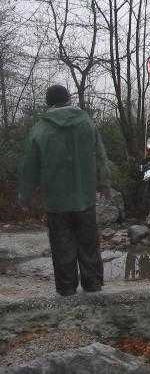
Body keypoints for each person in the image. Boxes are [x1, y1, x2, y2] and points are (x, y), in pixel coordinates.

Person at [17, 85, 112, 296]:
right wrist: (105, 183)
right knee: (88, 244)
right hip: (85, 198)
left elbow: (29, 166)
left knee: (62, 247)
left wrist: (25, 197)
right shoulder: (86, 122)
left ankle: (67, 291)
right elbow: (101, 155)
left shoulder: (41, 128)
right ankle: (93, 287)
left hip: (56, 202)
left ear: (48, 103)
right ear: (69, 99)